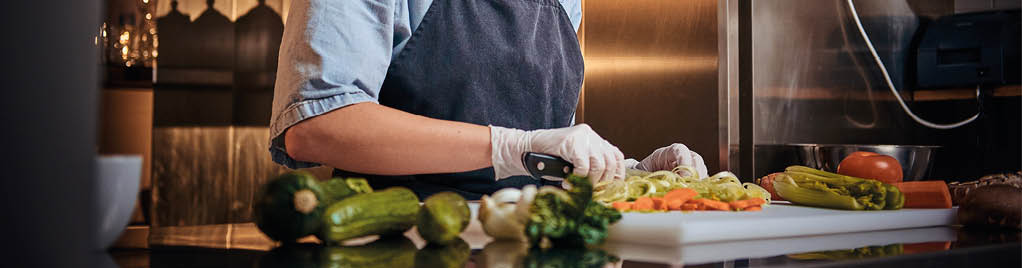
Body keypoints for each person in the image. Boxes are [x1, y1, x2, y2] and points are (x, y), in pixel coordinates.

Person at [269, 0, 708, 200]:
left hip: (527, 245)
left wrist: (625, 174)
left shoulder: (566, 3)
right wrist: (511, 147)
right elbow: (315, 128)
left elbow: (541, 151)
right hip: (404, 245)